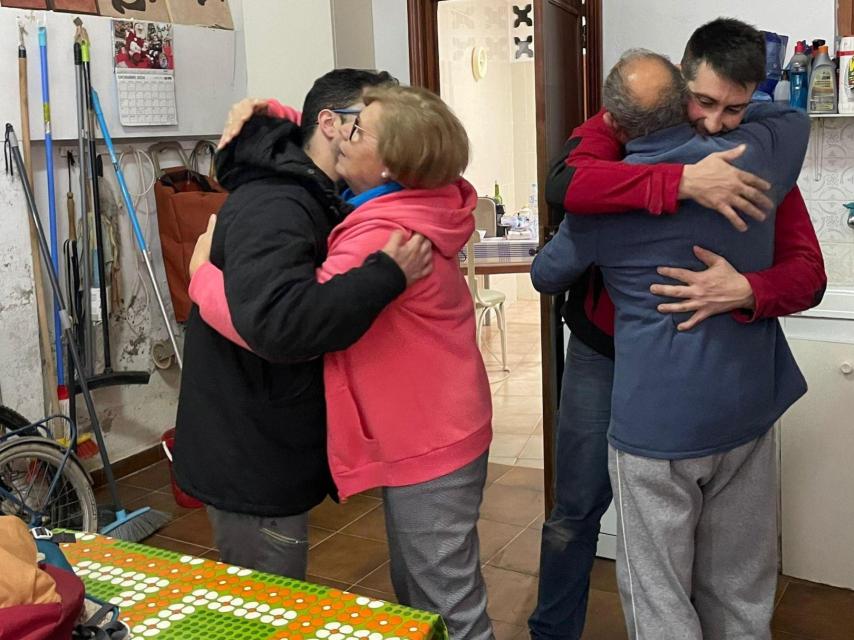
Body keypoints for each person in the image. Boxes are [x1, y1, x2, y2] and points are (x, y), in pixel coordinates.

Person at [529, 18, 826, 640]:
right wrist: (682, 180)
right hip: (609, 355)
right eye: (705, 103)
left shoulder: (756, 171)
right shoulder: (743, 158)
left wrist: (748, 289)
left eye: (735, 109)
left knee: (671, 580)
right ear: (678, 84)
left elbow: (808, 276)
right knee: (579, 512)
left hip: (669, 399)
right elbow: (566, 181)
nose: (718, 123)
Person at [189, 85, 495, 640]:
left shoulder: (381, 234)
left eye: (356, 130)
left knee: (446, 604)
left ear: (391, 164)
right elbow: (326, 133)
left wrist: (203, 278)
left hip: (428, 441)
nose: (339, 134)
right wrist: (276, 116)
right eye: (343, 122)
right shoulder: (429, 196)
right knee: (429, 591)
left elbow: (287, 328)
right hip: (441, 428)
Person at [173, 69, 434, 582]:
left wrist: (272, 111)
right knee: (267, 610)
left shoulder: (312, 191)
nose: (387, 143)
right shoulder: (278, 203)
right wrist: (387, 275)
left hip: (265, 441)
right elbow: (281, 325)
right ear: (334, 126)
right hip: (251, 455)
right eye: (371, 125)